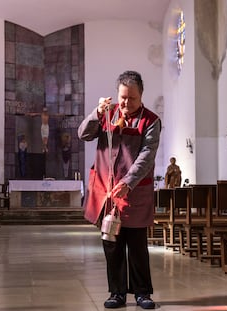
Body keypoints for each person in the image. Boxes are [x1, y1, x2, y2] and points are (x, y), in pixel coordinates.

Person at [78, 70, 161, 309]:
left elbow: (147, 155)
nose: (126, 103)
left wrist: (128, 181)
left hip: (134, 192)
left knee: (136, 245)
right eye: (123, 97)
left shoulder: (151, 120)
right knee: (111, 244)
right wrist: (97, 113)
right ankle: (117, 293)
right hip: (106, 191)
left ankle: (143, 293)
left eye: (131, 98)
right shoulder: (107, 114)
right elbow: (83, 134)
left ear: (141, 95)